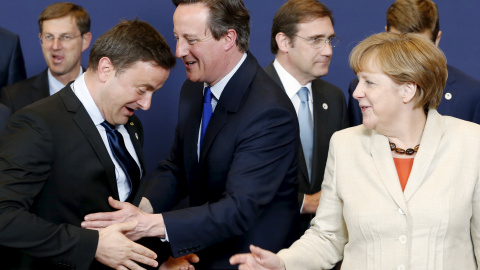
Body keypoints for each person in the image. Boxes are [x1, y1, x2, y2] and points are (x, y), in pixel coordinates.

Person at [230, 32, 480, 269]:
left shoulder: (471, 143)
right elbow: (327, 237)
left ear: (408, 90)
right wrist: (284, 263)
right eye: (359, 80)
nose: (357, 92)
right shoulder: (345, 145)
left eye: (369, 82)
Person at [81, 0, 302, 269]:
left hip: (246, 260)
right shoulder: (193, 89)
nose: (178, 51)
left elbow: (239, 209)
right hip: (199, 254)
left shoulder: (269, 110)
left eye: (190, 39)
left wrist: (149, 225)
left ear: (228, 38)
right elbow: (178, 167)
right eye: (177, 38)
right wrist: (141, 210)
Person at [0, 19, 176, 270]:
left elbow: (124, 215)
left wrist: (159, 261)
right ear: (106, 69)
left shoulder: (132, 126)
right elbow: (3, 217)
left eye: (153, 92)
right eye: (142, 89)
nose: (146, 104)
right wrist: (91, 245)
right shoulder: (38, 123)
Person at [264, 0, 348, 232]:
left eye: (330, 40)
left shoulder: (334, 98)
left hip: (324, 246)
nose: (328, 50)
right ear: (284, 42)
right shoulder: (251, 96)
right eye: (315, 40)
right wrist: (303, 202)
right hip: (267, 247)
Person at [347, 0, 480, 126]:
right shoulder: (360, 91)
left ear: (437, 39)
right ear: (385, 37)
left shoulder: (471, 95)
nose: (408, 58)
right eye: (398, 44)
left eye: (419, 46)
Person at [0, 2, 92, 113]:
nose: (55, 46)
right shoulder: (13, 98)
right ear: (41, 39)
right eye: (49, 37)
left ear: (85, 41)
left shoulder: (102, 94)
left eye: (66, 37)